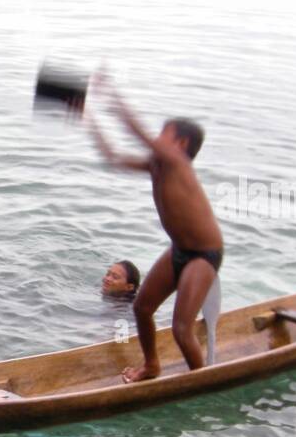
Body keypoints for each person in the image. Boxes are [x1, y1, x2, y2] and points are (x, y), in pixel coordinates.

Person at [85, 74, 222, 381]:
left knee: (181, 328)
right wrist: (88, 117)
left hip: (203, 256)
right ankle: (152, 367)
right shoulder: (157, 165)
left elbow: (137, 133)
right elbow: (113, 157)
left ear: (180, 144)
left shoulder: (178, 164)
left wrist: (111, 96)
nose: (157, 139)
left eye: (164, 135)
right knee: (143, 308)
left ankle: (200, 382)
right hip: (179, 250)